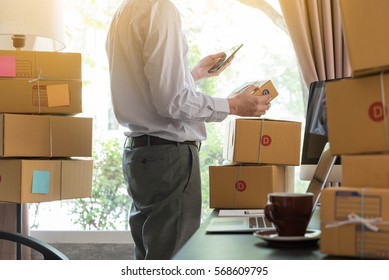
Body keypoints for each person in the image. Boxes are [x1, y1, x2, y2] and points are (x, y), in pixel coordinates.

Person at [105, 0, 271, 260]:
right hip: (167, 159)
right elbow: (172, 101)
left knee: (153, 257)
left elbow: (147, 87)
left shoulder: (124, 11)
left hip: (139, 155)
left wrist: (191, 74)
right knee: (174, 260)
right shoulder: (159, 8)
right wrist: (233, 105)